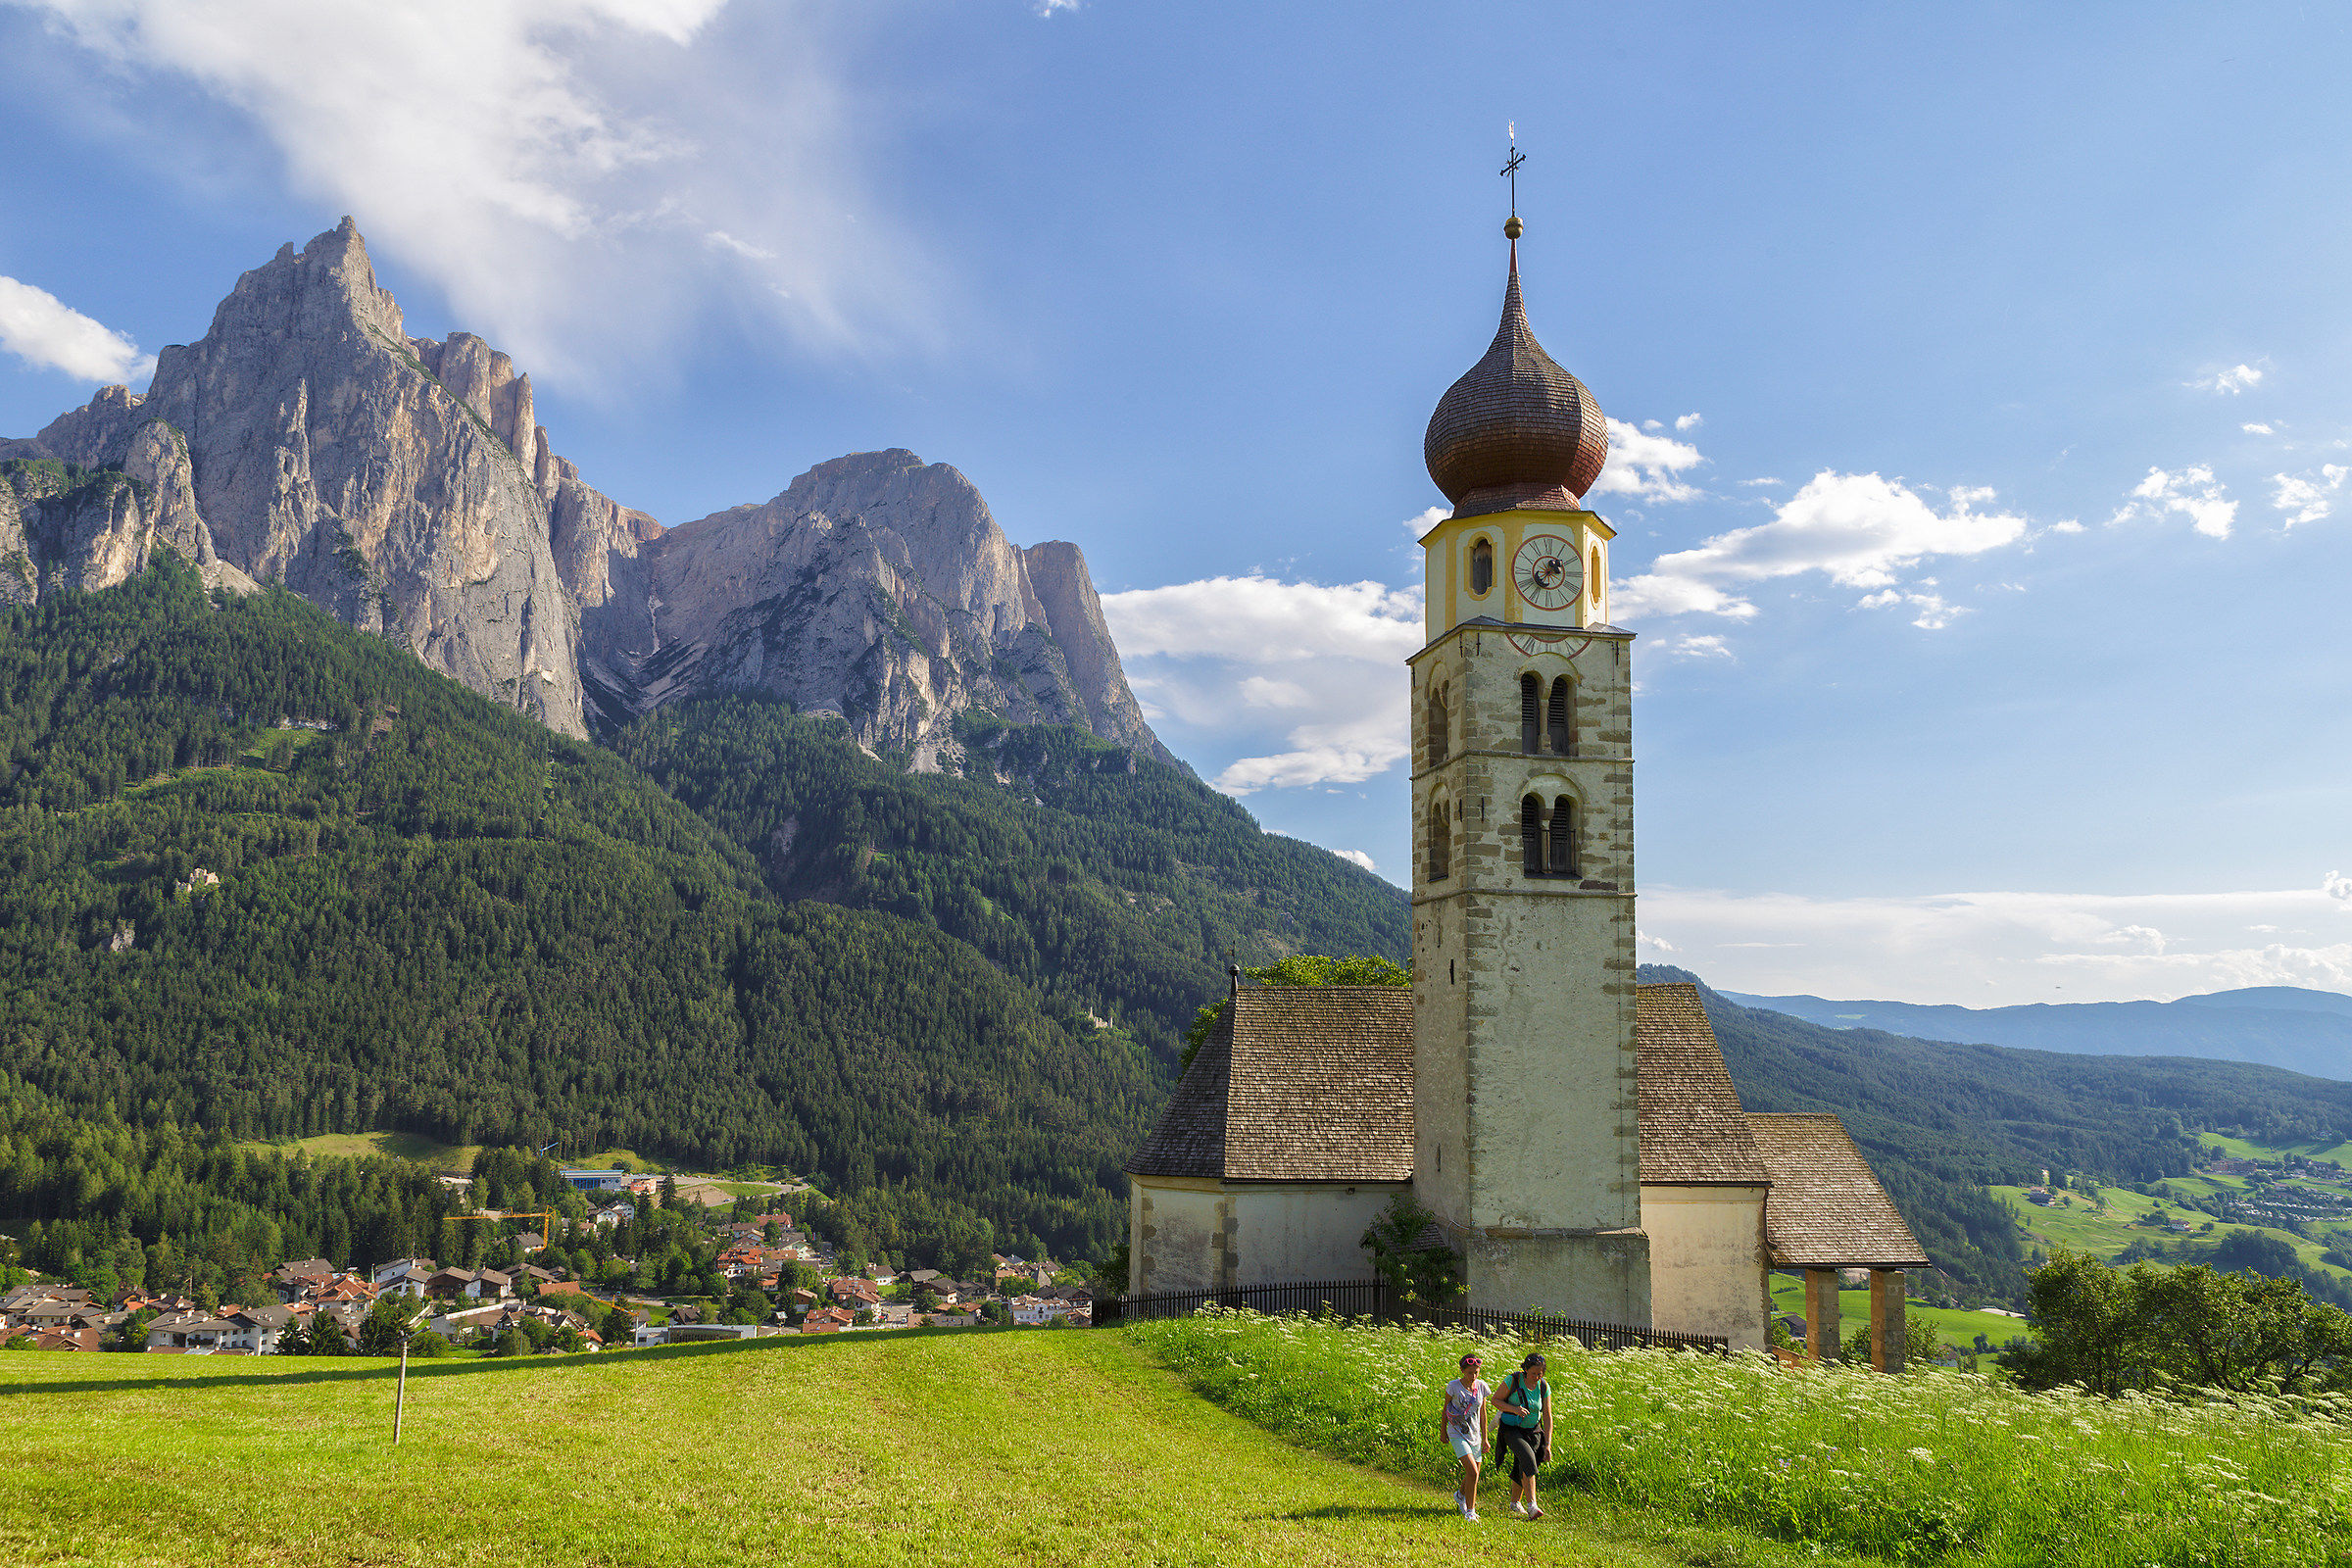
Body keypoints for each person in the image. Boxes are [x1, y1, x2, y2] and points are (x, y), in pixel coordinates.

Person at [1493, 1350, 1553, 1520]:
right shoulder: (1513, 1380)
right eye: (1533, 1373)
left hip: (1533, 1431)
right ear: (1526, 1369)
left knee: (1522, 1464)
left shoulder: (1543, 1386)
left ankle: (1514, 1503)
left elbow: (1547, 1416)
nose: (1536, 1377)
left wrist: (1547, 1443)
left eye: (1539, 1374)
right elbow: (1495, 1400)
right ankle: (1532, 1506)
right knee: (1527, 1458)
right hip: (1511, 1430)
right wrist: (1514, 1409)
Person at [1439, 1351, 1491, 1521]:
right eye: (1470, 1372)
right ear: (1462, 1371)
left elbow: (1483, 1414)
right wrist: (1443, 1431)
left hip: (1474, 1434)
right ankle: (1470, 1512)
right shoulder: (1453, 1386)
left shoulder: (1481, 1386)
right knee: (1473, 1472)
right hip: (1456, 1433)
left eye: (1476, 1372)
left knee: (1472, 1474)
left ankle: (1460, 1495)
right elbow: (1445, 1409)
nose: (1473, 1376)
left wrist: (1485, 1438)